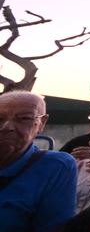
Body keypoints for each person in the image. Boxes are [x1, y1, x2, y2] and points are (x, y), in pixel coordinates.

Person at [0, 91, 76, 232]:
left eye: (23, 119)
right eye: (0, 118)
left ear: (42, 123)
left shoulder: (55, 166)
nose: (7, 127)